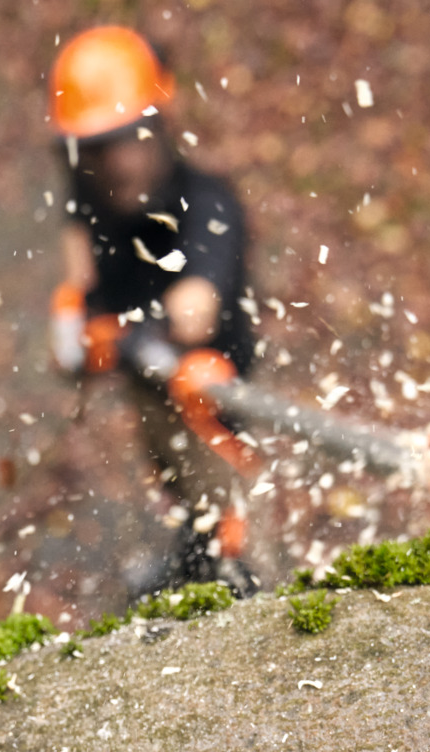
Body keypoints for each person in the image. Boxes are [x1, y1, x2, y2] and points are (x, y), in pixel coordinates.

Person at [45, 26, 261, 595]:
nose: (110, 165)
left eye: (122, 143)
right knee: (168, 468)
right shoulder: (87, 194)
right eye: (93, 151)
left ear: (154, 129)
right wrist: (77, 320)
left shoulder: (208, 205)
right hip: (143, 374)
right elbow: (78, 281)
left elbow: (197, 307)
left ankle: (229, 565)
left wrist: (156, 332)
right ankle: (191, 547)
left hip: (208, 380)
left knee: (213, 481)